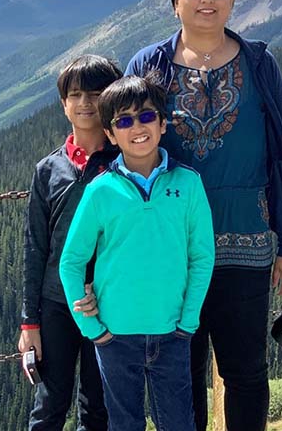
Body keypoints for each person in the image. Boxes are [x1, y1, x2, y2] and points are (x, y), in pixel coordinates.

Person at [125, 0, 282, 430]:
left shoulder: (259, 63)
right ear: (175, 2)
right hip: (171, 246)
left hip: (246, 239)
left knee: (246, 370)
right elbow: (127, 157)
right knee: (179, 371)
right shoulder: (149, 64)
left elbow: (279, 155)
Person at [59, 74, 215, 431]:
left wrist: (188, 321)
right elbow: (71, 261)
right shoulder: (100, 191)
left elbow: (202, 256)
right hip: (114, 338)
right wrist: (92, 329)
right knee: (124, 424)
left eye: (146, 116)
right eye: (124, 121)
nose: (137, 127)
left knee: (178, 423)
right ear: (112, 135)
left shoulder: (188, 184)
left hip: (173, 333)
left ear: (163, 124)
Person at [18, 54, 122, 431]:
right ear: (63, 103)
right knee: (49, 406)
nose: (85, 103)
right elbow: (35, 248)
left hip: (109, 304)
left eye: (96, 93)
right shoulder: (48, 170)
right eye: (75, 94)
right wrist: (30, 322)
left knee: (98, 408)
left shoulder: (125, 165)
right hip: (56, 303)